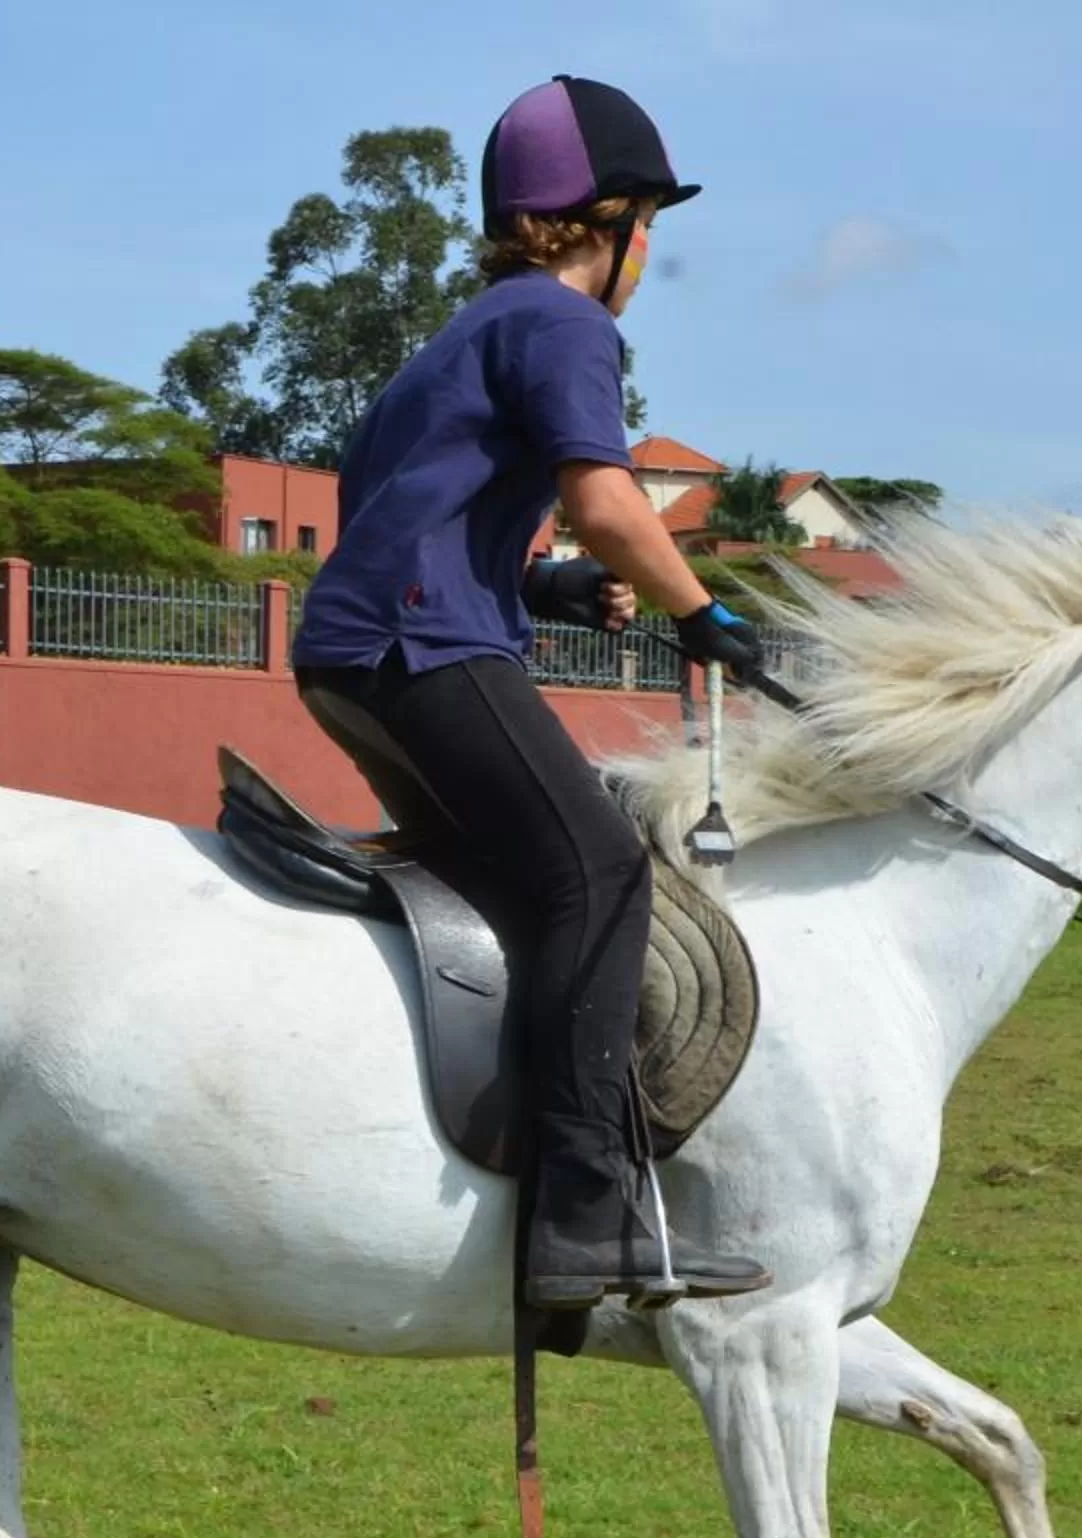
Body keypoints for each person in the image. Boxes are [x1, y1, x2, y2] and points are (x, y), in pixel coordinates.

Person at [290, 75, 772, 1311]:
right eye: (648, 225)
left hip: (353, 653)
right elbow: (608, 501)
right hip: (422, 648)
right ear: (608, 223)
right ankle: (581, 1219)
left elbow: (417, 517)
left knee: (519, 877)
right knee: (600, 874)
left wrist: (545, 587)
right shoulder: (566, 326)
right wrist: (701, 614)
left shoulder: (463, 335)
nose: (650, 256)